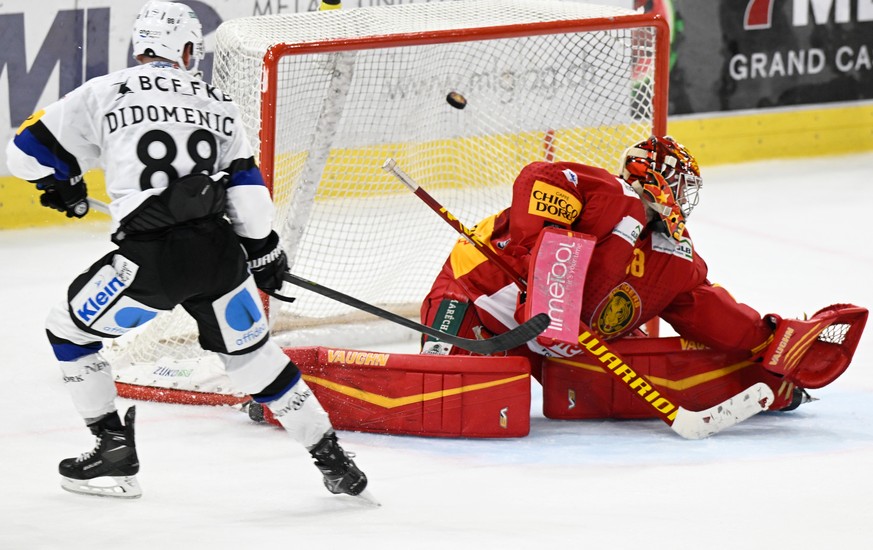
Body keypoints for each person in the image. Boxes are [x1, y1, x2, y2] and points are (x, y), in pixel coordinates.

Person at [5, 1, 368, 499]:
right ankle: (332, 459)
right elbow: (252, 203)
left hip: (147, 264)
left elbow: (24, 153)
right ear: (189, 49)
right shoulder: (219, 102)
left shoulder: (106, 90)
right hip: (218, 255)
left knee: (66, 329)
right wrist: (264, 254)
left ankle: (112, 447)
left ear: (141, 46)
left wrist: (62, 181)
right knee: (255, 358)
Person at [421, 135, 852, 413]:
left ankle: (767, 384)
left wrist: (770, 343)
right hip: (475, 301)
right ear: (658, 178)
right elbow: (540, 180)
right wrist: (544, 278)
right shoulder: (606, 193)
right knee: (458, 400)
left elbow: (708, 311)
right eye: (681, 187)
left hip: (564, 344)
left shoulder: (676, 256)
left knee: (643, 378)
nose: (684, 201)